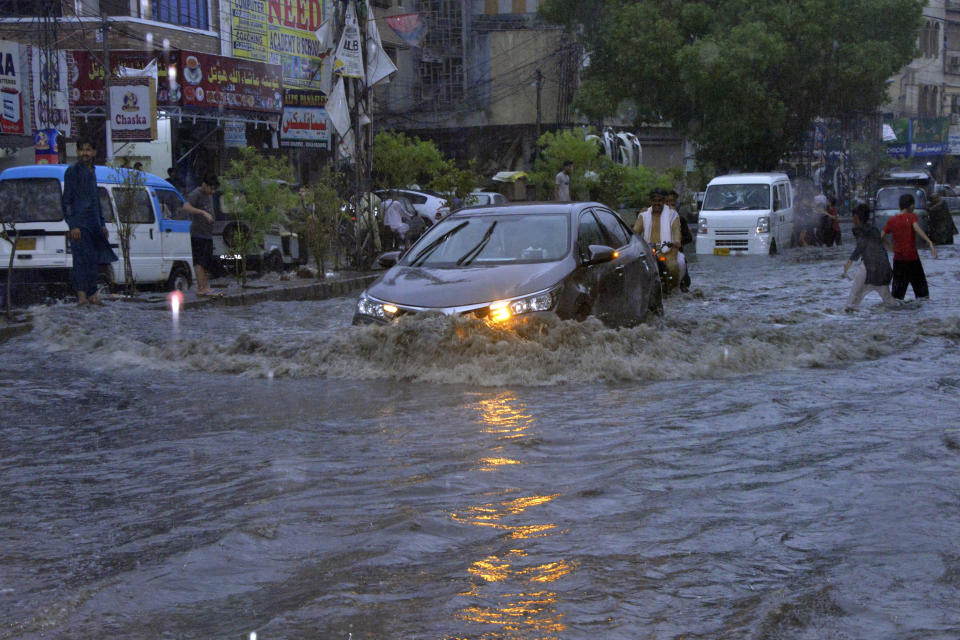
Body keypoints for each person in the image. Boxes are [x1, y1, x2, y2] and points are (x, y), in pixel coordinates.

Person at [62, 138, 117, 306]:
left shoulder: (92, 171)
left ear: (93, 152)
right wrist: (73, 225)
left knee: (94, 260)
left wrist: (102, 224)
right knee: (80, 260)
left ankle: (93, 294)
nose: (85, 153)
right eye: (82, 150)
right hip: (80, 224)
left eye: (88, 149)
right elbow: (67, 201)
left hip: (93, 224)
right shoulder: (73, 171)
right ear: (78, 152)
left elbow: (95, 200)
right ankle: (81, 296)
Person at [882, 192, 937, 301]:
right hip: (913, 260)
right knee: (923, 295)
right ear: (911, 205)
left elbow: (880, 237)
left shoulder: (892, 220)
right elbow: (916, 228)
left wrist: (890, 247)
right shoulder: (912, 217)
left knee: (897, 296)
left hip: (899, 261)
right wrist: (929, 242)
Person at [841, 207, 895, 311]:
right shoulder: (873, 229)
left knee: (853, 298)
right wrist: (891, 248)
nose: (852, 220)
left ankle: (845, 317)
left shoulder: (857, 230)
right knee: (889, 300)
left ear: (856, 218)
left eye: (853, 217)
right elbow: (881, 240)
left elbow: (860, 247)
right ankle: (904, 314)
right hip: (883, 267)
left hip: (868, 267)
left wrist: (848, 263)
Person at [634, 188, 686, 290]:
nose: (657, 203)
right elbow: (635, 233)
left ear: (664, 201)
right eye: (654, 201)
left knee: (672, 268)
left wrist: (676, 241)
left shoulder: (672, 215)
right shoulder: (643, 215)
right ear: (651, 201)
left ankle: (673, 290)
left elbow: (676, 231)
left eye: (660, 201)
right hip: (648, 251)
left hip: (668, 251)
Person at [182, 174, 220, 297]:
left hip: (207, 233)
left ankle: (205, 287)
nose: (213, 192)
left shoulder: (207, 195)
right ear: (205, 185)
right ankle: (201, 288)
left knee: (205, 262)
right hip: (198, 233)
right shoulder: (196, 193)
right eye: (212, 189)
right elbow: (186, 207)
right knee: (199, 261)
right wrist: (202, 212)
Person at [665, 189, 692, 292]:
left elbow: (689, 238)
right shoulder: (654, 219)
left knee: (684, 284)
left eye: (673, 201)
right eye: (667, 201)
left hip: (677, 254)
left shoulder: (681, 219)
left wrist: (676, 242)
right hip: (660, 254)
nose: (670, 204)